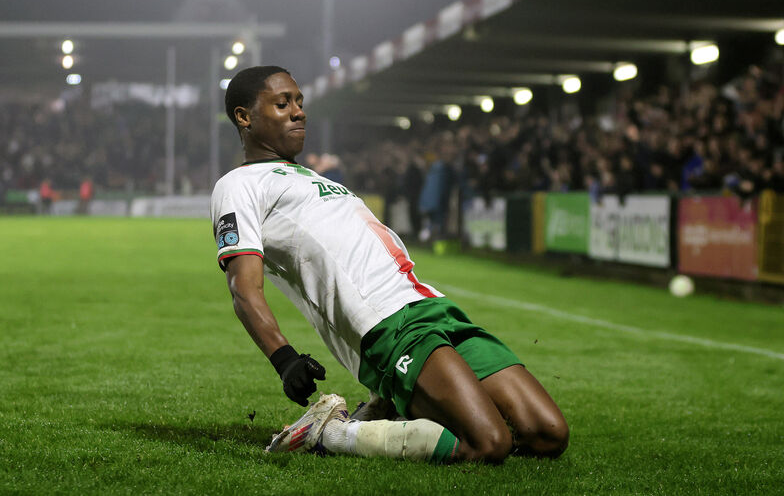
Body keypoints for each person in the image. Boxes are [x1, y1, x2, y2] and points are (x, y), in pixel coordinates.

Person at [210, 66, 568, 464]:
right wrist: (285, 359)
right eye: (282, 103)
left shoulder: (312, 177)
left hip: (432, 306)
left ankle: (395, 406)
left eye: (299, 102)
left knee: (548, 434)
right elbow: (244, 287)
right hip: (384, 325)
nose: (299, 111)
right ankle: (332, 432)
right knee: (488, 444)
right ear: (244, 117)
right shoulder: (239, 185)